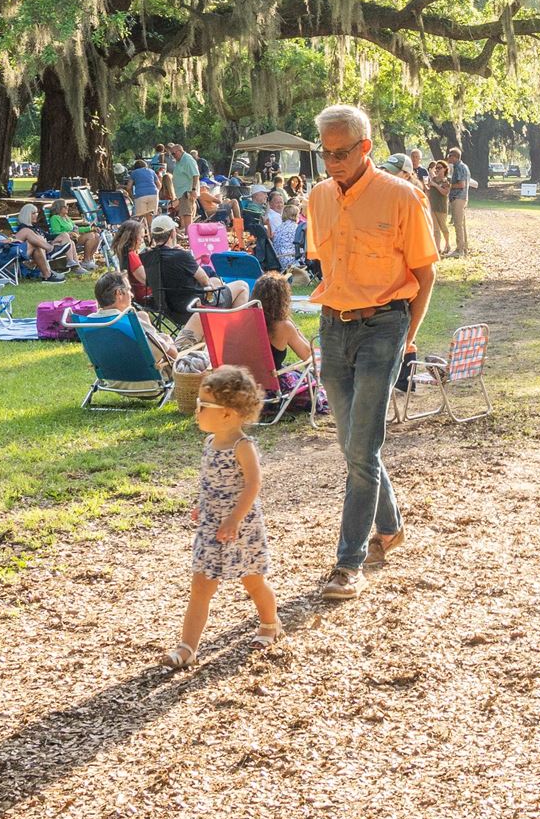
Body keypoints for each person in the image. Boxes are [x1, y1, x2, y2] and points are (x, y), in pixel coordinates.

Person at [304, 101, 438, 601]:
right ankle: (392, 525)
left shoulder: (401, 197)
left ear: (365, 148)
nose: (332, 162)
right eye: (325, 154)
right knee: (351, 445)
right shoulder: (318, 198)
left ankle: (348, 563)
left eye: (341, 153)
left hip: (384, 326)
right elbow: (326, 264)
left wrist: (407, 336)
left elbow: (425, 274)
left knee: (361, 448)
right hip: (333, 327)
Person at [169, 364, 282, 667]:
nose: (197, 409)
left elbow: (253, 483)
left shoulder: (242, 446)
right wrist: (201, 504)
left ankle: (270, 624)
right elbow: (210, 482)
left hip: (241, 527)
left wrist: (234, 518)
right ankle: (187, 647)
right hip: (210, 525)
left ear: (228, 414)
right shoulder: (209, 442)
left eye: (203, 405)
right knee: (201, 586)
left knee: (253, 581)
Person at [89, 268, 178, 372]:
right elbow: (173, 355)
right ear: (119, 293)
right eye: (128, 290)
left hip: (114, 379)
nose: (132, 295)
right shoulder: (131, 322)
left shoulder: (90, 322)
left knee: (142, 315)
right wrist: (169, 341)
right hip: (149, 378)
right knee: (196, 321)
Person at [141, 213, 219, 326]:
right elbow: (205, 282)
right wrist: (182, 254)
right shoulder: (181, 256)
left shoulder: (146, 256)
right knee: (241, 286)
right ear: (173, 233)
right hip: (191, 308)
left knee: (212, 277)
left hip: (166, 310)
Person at [0, 203, 51, 279]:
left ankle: (46, 272)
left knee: (31, 237)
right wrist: (12, 240)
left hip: (0, 252)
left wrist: (12, 240)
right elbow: (2, 241)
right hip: (0, 256)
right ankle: (48, 272)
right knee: (34, 242)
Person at [424, 157, 454, 256]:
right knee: (435, 229)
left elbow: (445, 193)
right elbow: (429, 192)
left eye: (439, 168)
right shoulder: (433, 179)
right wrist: (426, 187)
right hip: (432, 206)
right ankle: (437, 248)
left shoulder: (446, 180)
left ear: (445, 169)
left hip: (441, 207)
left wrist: (436, 185)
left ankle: (447, 244)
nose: (437, 170)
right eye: (436, 168)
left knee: (443, 227)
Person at [448, 151, 474, 257]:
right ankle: (464, 247)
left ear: (455, 157)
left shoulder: (459, 167)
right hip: (462, 198)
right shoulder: (464, 166)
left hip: (458, 198)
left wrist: (449, 185)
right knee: (461, 224)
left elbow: (461, 184)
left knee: (458, 224)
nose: (448, 158)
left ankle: (459, 250)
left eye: (450, 156)